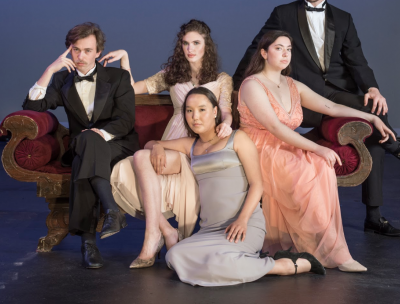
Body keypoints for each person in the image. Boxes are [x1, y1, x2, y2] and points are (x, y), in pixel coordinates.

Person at [233, 0, 400, 236]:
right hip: (303, 96)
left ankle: (374, 215)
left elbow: (357, 59)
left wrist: (372, 87)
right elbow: (256, 48)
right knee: (371, 123)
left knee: (373, 111)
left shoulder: (343, 18)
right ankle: (396, 145)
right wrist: (238, 86)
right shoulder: (283, 13)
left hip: (336, 93)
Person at [239, 30, 398, 272]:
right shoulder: (252, 84)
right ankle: (327, 249)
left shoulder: (292, 85)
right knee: (306, 167)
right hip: (259, 146)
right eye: (278, 48)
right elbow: (273, 127)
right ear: (264, 52)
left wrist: (371, 117)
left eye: (288, 49)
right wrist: (317, 148)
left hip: (287, 143)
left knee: (322, 166)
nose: (285, 54)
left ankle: (323, 244)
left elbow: (331, 107)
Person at [137, 87, 326, 286]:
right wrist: (157, 146)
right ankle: (252, 263)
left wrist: (242, 220)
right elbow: (151, 143)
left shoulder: (237, 139)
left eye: (202, 109)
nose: (195, 117)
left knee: (216, 265)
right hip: (209, 229)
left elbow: (257, 185)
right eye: (189, 111)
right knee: (174, 256)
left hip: (243, 225)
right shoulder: (190, 145)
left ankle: (284, 266)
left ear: (215, 112)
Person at [99, 19, 233, 246]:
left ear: (206, 46)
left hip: (201, 141)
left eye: (196, 43)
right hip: (173, 140)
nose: (190, 49)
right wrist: (125, 58)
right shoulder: (171, 74)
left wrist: (227, 123)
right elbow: (132, 90)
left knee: (152, 167)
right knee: (125, 169)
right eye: (185, 43)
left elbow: (226, 111)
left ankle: (166, 236)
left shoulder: (221, 79)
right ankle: (165, 230)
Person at [23, 22, 139, 269]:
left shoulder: (118, 77)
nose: (81, 56)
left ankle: (88, 242)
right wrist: (49, 71)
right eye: (76, 50)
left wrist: (100, 134)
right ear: (69, 50)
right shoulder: (63, 80)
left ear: (98, 52)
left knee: (85, 150)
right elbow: (33, 107)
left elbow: (126, 120)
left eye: (88, 50)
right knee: (85, 146)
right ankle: (112, 213)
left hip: (117, 143)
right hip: (85, 145)